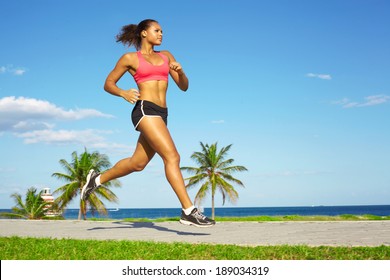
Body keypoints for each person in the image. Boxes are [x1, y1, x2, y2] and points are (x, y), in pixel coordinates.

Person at [81, 19, 215, 227]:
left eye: (162, 31)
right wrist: (122, 93)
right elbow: (108, 83)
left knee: (138, 163)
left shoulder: (166, 56)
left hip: (162, 114)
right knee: (172, 156)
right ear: (144, 33)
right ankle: (188, 210)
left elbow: (184, 87)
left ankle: (96, 180)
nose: (161, 34)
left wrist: (180, 71)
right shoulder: (130, 58)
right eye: (157, 30)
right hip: (145, 110)